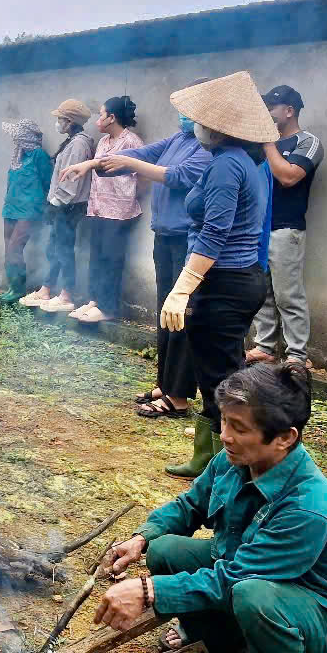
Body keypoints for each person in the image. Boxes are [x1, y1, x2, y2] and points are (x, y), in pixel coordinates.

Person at [95, 362, 327, 653]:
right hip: (251, 574)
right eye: (225, 421)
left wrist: (148, 591)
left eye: (239, 427)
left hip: (321, 617)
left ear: (285, 437)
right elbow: (190, 505)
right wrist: (141, 538)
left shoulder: (308, 507)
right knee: (165, 549)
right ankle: (214, 636)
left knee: (251, 594)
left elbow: (236, 579)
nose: (225, 435)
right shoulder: (234, 459)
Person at [157, 71, 274, 478]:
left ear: (219, 128)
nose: (195, 126)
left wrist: (183, 287)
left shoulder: (227, 165)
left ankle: (222, 463)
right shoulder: (240, 161)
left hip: (224, 280)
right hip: (238, 278)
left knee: (218, 377)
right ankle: (217, 458)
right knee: (222, 370)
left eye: (200, 121)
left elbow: (216, 231)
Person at [85, 90, 213, 417]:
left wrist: (128, 161)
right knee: (164, 311)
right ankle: (165, 383)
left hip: (188, 238)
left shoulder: (208, 147)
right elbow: (144, 152)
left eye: (188, 112)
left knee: (181, 313)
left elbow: (179, 176)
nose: (183, 117)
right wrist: (93, 163)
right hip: (166, 234)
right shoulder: (178, 139)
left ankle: (180, 397)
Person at [249, 86, 323, 366]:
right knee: (262, 292)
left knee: (288, 295)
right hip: (257, 229)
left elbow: (288, 177)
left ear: (289, 111)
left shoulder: (308, 142)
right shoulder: (260, 145)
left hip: (285, 228)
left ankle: (296, 355)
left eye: (271, 108)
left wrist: (268, 143)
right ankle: (265, 346)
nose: (266, 114)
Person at [59, 97, 143, 322]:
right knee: (96, 257)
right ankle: (95, 300)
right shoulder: (104, 141)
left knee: (111, 259)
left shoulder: (132, 141)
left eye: (101, 114)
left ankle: (108, 308)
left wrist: (127, 196)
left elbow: (142, 177)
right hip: (98, 209)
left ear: (112, 118)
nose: (98, 119)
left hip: (119, 212)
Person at [27, 99, 95, 313]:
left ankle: (67, 295)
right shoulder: (72, 141)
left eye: (60, 119)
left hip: (69, 206)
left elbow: (70, 179)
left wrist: (55, 204)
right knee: (54, 248)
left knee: (64, 249)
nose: (57, 123)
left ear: (70, 121)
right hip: (63, 205)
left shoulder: (78, 144)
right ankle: (47, 288)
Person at [0, 117, 53, 303]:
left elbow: (48, 182)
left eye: (17, 136)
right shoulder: (18, 156)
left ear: (25, 136)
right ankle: (12, 286)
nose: (14, 140)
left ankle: (19, 289)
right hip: (11, 208)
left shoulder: (39, 156)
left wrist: (45, 209)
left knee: (14, 247)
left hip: (29, 210)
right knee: (8, 248)